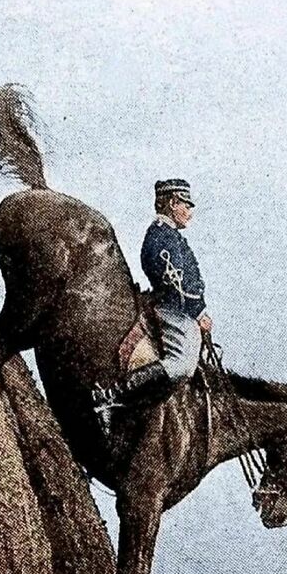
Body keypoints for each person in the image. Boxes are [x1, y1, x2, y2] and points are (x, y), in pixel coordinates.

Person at [93, 179, 212, 430]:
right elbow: (174, 283)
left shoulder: (171, 235)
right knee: (180, 366)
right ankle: (111, 395)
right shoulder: (160, 235)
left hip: (184, 310)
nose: (190, 211)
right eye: (186, 205)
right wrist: (198, 312)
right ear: (172, 203)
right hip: (173, 309)